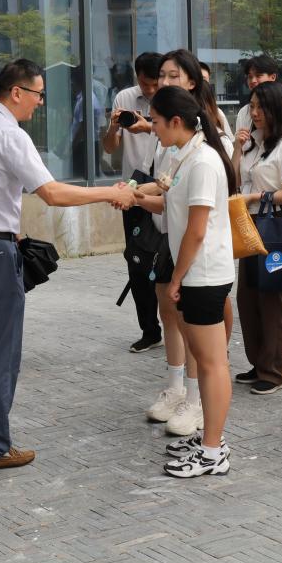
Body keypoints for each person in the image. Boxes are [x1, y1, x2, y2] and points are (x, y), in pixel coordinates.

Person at [0, 59, 135, 472]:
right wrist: (109, 193)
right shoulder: (11, 135)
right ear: (17, 92)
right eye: (38, 94)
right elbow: (53, 194)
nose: (40, 102)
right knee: (1, 352)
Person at [137, 49, 232, 437]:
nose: (152, 129)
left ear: (176, 121)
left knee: (211, 363)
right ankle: (209, 441)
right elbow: (170, 203)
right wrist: (135, 197)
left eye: (156, 122)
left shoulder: (203, 160)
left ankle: (212, 445)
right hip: (193, 270)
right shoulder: (183, 155)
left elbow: (196, 230)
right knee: (208, 361)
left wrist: (176, 277)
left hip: (203, 271)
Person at [231, 81, 282, 395]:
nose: (255, 113)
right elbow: (235, 179)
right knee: (248, 297)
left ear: (276, 108)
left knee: (273, 299)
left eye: (261, 107)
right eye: (252, 106)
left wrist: (257, 197)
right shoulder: (256, 142)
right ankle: (258, 362)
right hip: (250, 225)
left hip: (276, 225)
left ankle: (274, 371)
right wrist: (237, 149)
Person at [102, 52, 165, 353]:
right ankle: (149, 330)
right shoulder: (124, 97)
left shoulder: (171, 100)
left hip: (166, 185)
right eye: (145, 83)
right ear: (137, 77)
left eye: (155, 84)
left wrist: (149, 125)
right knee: (137, 261)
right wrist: (114, 126)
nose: (150, 90)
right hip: (134, 190)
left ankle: (178, 326)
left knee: (169, 260)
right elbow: (109, 148)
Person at [234, 54, 279, 134]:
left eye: (258, 76)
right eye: (250, 77)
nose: (253, 81)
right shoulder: (244, 112)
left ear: (273, 77)